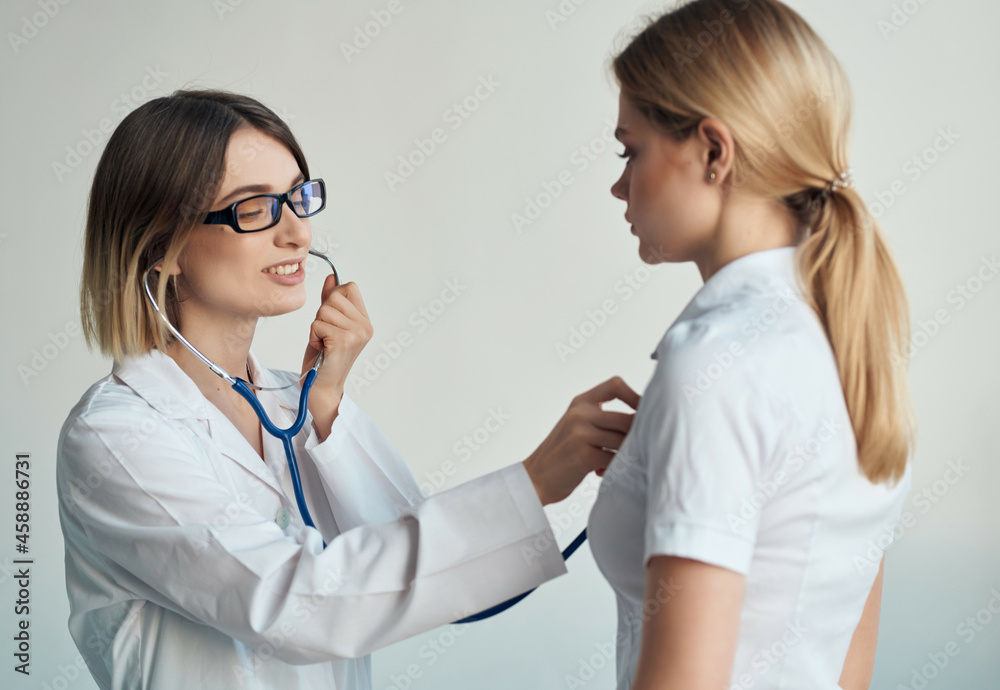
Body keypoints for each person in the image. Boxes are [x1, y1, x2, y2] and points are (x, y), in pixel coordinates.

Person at [57, 89, 640, 689]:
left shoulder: (296, 403)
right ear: (164, 246)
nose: (296, 233)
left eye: (297, 198)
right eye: (255, 208)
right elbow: (305, 605)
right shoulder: (115, 436)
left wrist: (329, 409)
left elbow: (402, 558)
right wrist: (533, 481)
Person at [586, 1, 916, 688]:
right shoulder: (844, 335)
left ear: (714, 151)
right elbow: (848, 670)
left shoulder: (715, 362)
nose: (617, 186)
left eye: (630, 150)